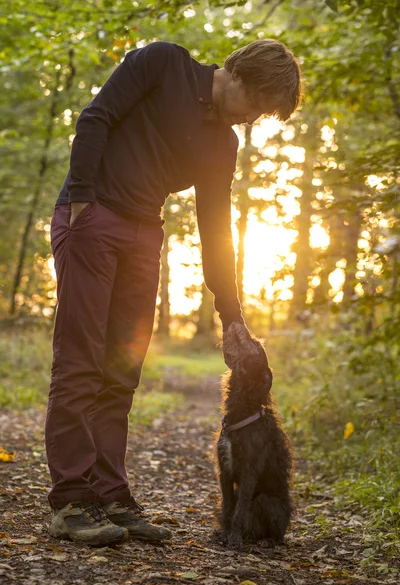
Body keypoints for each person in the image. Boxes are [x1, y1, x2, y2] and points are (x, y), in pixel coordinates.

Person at [46, 39, 303, 546]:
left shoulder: (223, 145)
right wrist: (80, 204)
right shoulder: (163, 63)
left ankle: (110, 496)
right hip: (93, 215)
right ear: (240, 76)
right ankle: (72, 500)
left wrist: (232, 313)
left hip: (145, 234)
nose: (253, 119)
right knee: (81, 362)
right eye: (257, 105)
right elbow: (94, 119)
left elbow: (215, 229)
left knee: (122, 371)